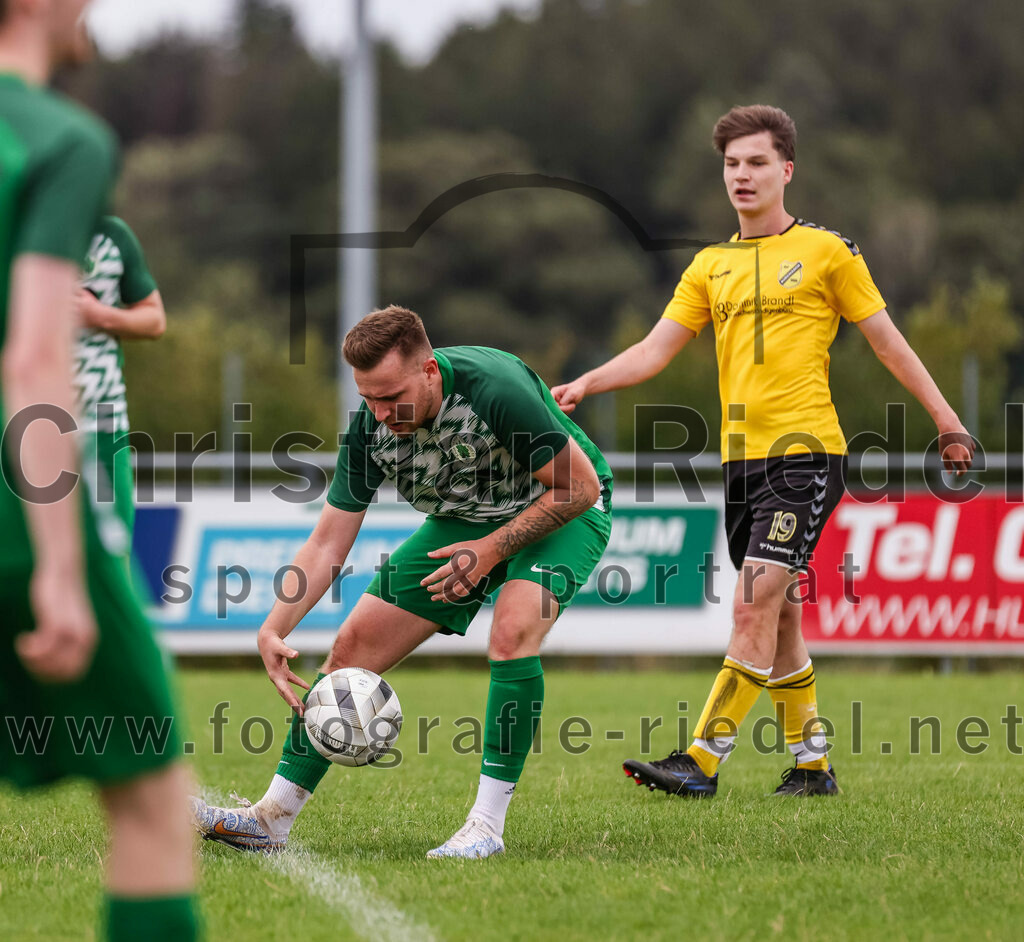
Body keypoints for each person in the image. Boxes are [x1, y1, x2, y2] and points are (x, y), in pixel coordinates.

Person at [552, 104, 974, 797]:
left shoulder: (827, 253)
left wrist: (948, 421)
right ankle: (813, 767)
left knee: (751, 603)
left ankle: (701, 760)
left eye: (755, 162)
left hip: (807, 457)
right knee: (777, 617)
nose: (741, 176)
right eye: (731, 164)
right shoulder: (709, 266)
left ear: (787, 170)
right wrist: (588, 383)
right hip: (740, 463)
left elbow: (887, 341)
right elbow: (657, 349)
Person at [191, 305, 613, 858]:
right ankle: (269, 821)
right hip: (465, 521)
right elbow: (326, 543)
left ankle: (485, 828)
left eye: (392, 397)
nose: (381, 412)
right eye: (368, 397)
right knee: (349, 650)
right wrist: (273, 627)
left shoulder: (495, 389)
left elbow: (577, 487)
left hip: (561, 508)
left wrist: (487, 553)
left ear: (430, 371)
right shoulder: (371, 429)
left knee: (511, 633)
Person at [0, 3, 199, 939]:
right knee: (153, 798)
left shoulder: (109, 224)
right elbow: (33, 360)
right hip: (25, 487)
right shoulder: (58, 138)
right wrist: (60, 569)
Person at [74, 215, 165, 563]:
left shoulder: (111, 234)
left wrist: (98, 315)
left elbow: (155, 319)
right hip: (23, 419)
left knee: (112, 551)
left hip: (102, 420)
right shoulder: (15, 221)